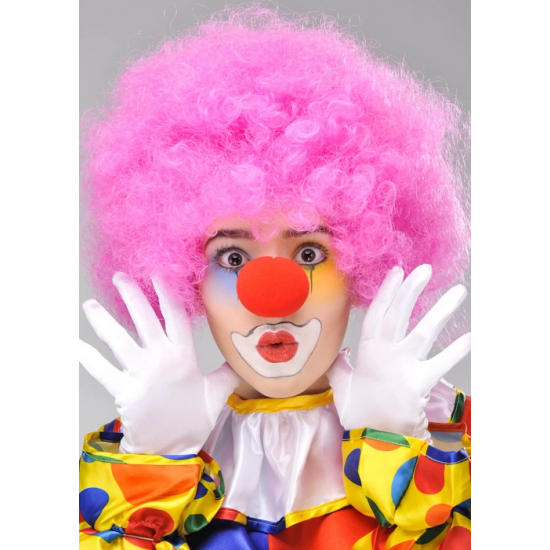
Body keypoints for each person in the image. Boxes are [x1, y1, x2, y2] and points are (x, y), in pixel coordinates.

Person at [79, 6, 471, 549]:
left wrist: (394, 444)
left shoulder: (440, 436)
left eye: (309, 252)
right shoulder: (145, 441)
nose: (271, 296)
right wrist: (155, 465)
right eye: (232, 258)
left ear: (363, 264)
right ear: (187, 276)